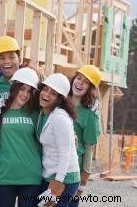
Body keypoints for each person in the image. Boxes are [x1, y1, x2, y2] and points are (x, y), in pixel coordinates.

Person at [0, 68, 42, 207]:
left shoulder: (35, 113)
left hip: (31, 177)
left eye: (29, 91)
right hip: (5, 176)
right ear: (14, 88)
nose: (25, 94)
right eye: (22, 89)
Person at [35, 73, 80, 207]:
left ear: (60, 99)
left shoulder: (60, 118)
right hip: (50, 175)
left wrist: (57, 185)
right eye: (45, 89)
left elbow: (65, 154)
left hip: (65, 178)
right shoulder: (43, 113)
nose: (46, 94)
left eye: (53, 93)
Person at [68, 65, 101, 206]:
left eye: (86, 82)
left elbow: (89, 149)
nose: (80, 83)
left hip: (72, 171)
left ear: (91, 88)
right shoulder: (60, 101)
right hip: (50, 167)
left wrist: (82, 184)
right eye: (79, 78)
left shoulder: (90, 114)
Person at [0, 36, 21, 103]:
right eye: (2, 58)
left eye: (11, 57)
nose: (7, 61)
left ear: (19, 60)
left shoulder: (29, 83)